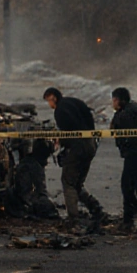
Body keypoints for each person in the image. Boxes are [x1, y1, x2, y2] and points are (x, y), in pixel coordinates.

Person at [43, 87, 105, 228]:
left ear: (53, 97)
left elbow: (69, 132)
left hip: (78, 147)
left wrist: (61, 142)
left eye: (48, 101)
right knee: (77, 183)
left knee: (68, 181)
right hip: (91, 144)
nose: (49, 104)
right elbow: (89, 120)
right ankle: (96, 208)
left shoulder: (60, 111)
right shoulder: (74, 102)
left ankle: (73, 218)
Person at [109, 87, 137, 233]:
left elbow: (119, 131)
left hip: (134, 154)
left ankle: (129, 220)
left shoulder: (125, 113)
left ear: (117, 100)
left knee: (128, 186)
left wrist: (126, 147)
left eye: (113, 100)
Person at [5, 138, 60, 220]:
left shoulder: (27, 162)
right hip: (25, 198)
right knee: (46, 205)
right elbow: (38, 189)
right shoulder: (34, 166)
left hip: (21, 197)